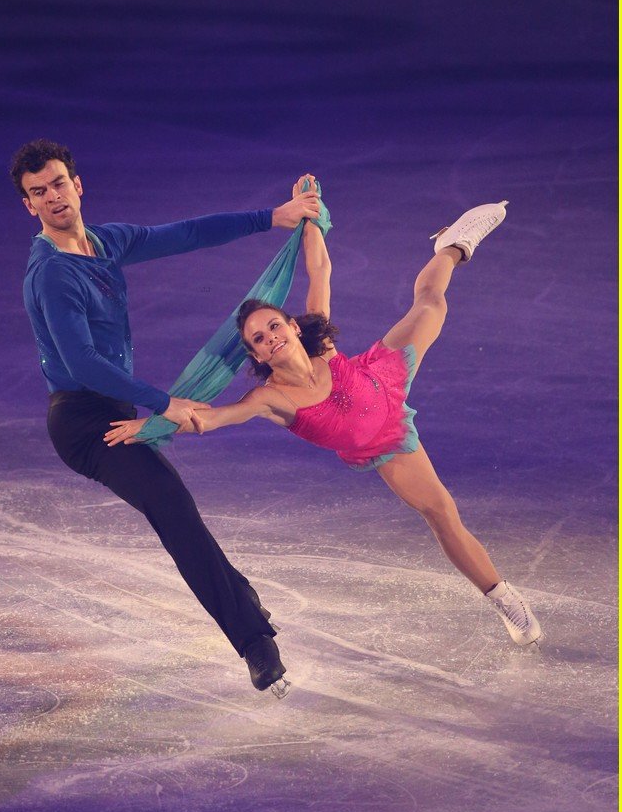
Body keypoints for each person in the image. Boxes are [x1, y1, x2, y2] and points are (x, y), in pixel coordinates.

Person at [105, 178, 543, 649]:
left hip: (385, 373)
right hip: (384, 442)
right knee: (441, 514)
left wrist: (310, 217)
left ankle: (453, 244)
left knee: (431, 301)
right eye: (258, 339)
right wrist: (150, 424)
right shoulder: (270, 399)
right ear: (254, 355)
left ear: (292, 326)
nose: (270, 336)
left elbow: (320, 270)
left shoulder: (320, 341)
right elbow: (209, 418)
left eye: (274, 325)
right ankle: (505, 600)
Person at [11, 139, 322, 697]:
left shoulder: (103, 242)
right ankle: (256, 644)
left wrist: (272, 218)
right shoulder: (52, 276)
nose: (53, 197)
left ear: (77, 185)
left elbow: (184, 234)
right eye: (39, 193)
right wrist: (165, 404)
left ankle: (244, 605)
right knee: (173, 512)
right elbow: (84, 363)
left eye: (59, 183)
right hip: (85, 424)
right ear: (29, 206)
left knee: (180, 512)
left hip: (118, 406)